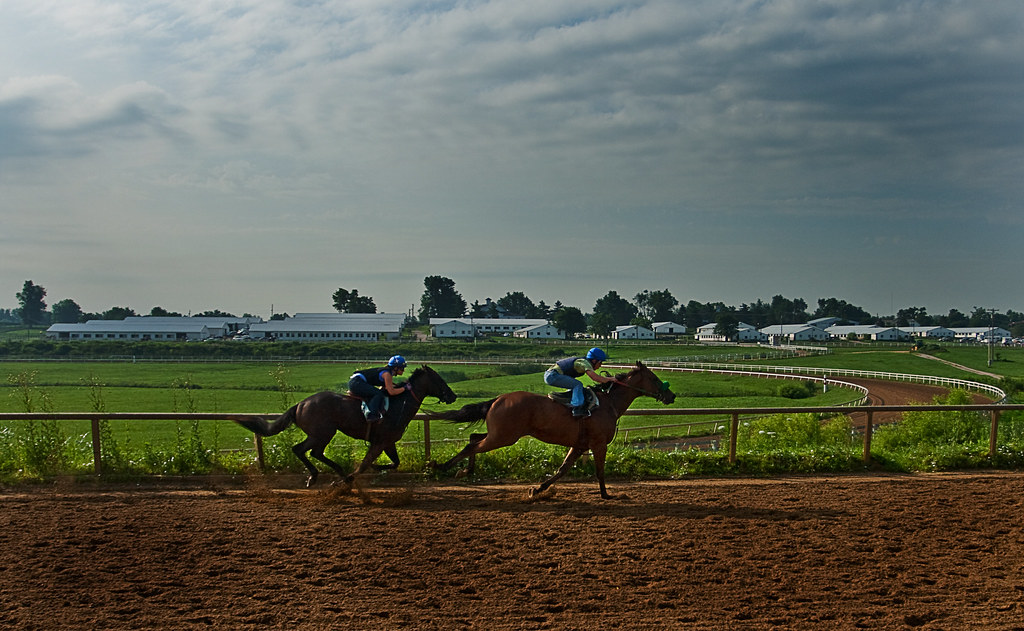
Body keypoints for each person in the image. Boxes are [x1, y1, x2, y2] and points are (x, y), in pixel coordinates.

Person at [544, 347, 615, 417]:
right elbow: (595, 377)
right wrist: (609, 379)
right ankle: (577, 408)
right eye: (600, 362)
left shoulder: (582, 362)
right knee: (578, 385)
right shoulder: (584, 363)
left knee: (575, 387)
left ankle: (569, 403)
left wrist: (603, 380)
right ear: (594, 360)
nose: (600, 365)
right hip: (552, 375)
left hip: (551, 375)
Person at [347, 355, 408, 422]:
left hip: (356, 381)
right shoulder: (387, 374)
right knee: (378, 394)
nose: (403, 370)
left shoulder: (387, 373)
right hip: (357, 382)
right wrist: (405, 388)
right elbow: (391, 392)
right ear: (395, 368)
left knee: (378, 393)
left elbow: (386, 388)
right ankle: (371, 415)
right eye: (402, 368)